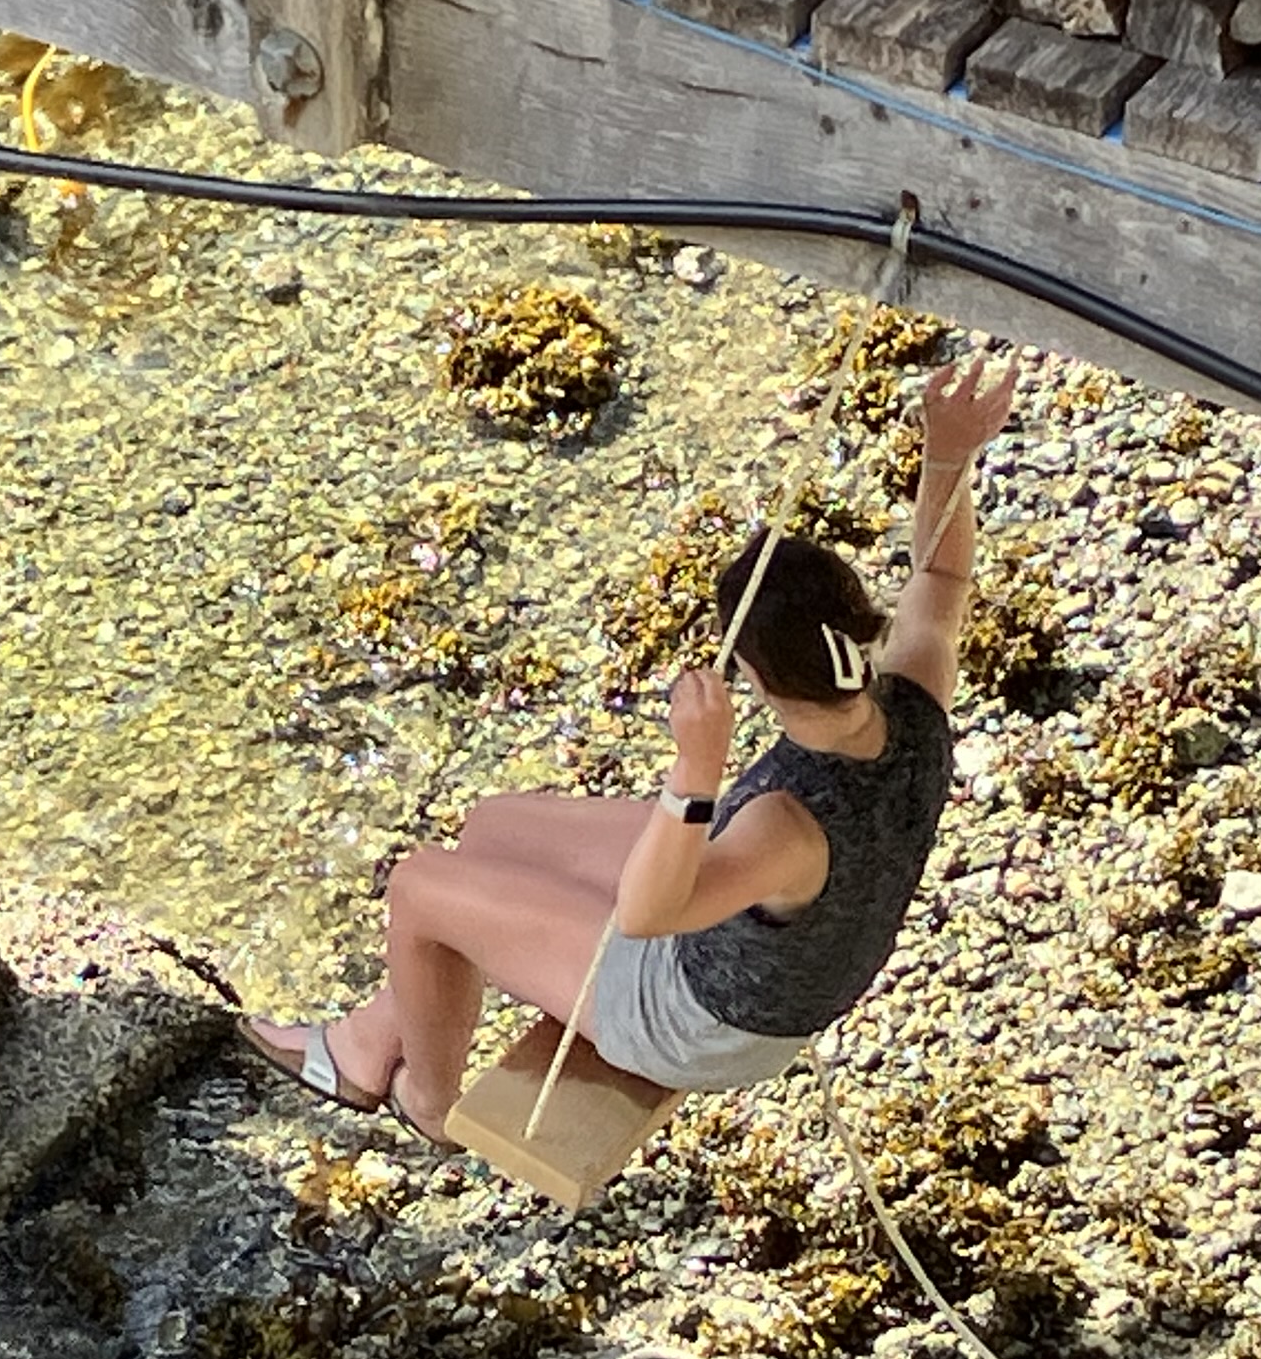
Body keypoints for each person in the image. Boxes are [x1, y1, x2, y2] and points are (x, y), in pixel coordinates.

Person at [247, 354, 1022, 1144]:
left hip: (702, 1020)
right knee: (492, 830)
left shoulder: (785, 826)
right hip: (773, 944)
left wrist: (697, 769)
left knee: (417, 887)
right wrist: (948, 454)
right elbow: (942, 579)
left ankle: (428, 1103)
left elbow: (651, 915)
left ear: (754, 677)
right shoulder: (913, 688)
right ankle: (373, 1039)